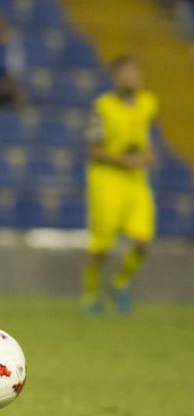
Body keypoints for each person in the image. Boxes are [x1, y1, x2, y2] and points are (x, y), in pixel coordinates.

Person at [81, 56, 158, 315]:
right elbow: (94, 150)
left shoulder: (147, 103)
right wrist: (126, 160)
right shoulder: (102, 107)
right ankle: (91, 296)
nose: (131, 78)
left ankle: (120, 283)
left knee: (142, 240)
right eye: (126, 73)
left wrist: (148, 154)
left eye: (135, 73)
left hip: (136, 181)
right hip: (107, 180)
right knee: (102, 245)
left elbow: (143, 137)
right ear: (116, 78)